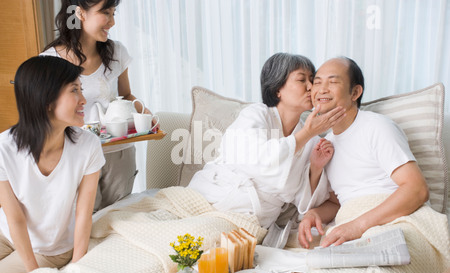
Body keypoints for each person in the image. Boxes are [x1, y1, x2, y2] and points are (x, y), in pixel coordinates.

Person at [189, 53, 346, 247]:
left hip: (256, 223)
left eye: (312, 80)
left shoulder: (312, 140)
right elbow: (259, 158)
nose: (310, 87)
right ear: (277, 88)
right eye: (301, 79)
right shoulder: (256, 115)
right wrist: (306, 133)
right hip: (212, 201)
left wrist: (315, 168)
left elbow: (305, 201)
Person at [298, 57, 430, 248]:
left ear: (355, 92)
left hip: (396, 222)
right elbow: (338, 204)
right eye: (317, 82)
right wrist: (314, 214)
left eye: (333, 82)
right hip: (353, 224)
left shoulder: (377, 126)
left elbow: (417, 189)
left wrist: (357, 226)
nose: (322, 89)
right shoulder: (327, 146)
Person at [41, 0, 158, 211]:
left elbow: (126, 94)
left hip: (118, 151)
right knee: (84, 219)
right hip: (76, 155)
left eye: (114, 13)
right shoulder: (50, 61)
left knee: (120, 216)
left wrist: (148, 117)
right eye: (106, 13)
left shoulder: (116, 52)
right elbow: (46, 116)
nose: (112, 22)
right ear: (80, 13)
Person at [0, 56, 105, 273]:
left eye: (81, 89)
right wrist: (33, 271)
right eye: (74, 90)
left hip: (50, 248)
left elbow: (84, 213)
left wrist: (77, 264)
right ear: (46, 100)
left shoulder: (88, 146)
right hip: (6, 233)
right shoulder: (4, 148)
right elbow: (14, 217)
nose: (83, 99)